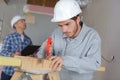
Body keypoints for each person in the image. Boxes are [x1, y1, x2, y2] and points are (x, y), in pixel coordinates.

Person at [37, 0, 101, 80]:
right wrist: (44, 53)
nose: (64, 30)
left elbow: (94, 63)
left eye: (67, 24)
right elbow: (44, 54)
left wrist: (65, 61)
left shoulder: (92, 36)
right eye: (60, 25)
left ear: (78, 19)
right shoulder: (56, 33)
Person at [0, 15, 32, 80]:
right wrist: (13, 54)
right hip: (8, 72)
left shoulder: (28, 39)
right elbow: (3, 52)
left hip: (21, 73)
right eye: (22, 21)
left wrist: (31, 55)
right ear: (15, 25)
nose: (24, 23)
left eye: (24, 21)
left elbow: (31, 53)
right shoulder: (9, 37)